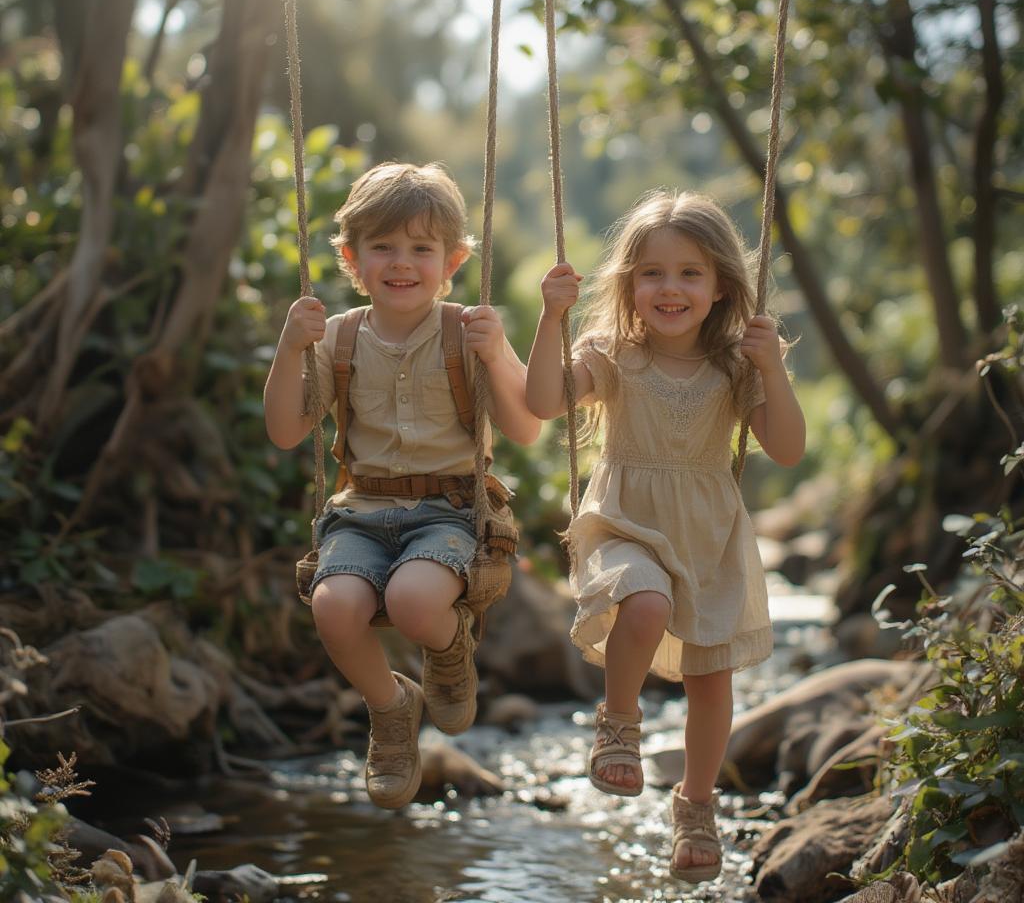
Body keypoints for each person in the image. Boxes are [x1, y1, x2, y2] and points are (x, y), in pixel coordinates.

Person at [525, 190, 805, 884]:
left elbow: (789, 449)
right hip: (624, 523)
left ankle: (696, 808)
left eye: (690, 273)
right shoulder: (613, 355)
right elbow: (540, 402)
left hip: (708, 535)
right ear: (628, 284)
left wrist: (772, 368)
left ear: (718, 288)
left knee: (712, 682)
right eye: (652, 272)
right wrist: (550, 317)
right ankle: (619, 723)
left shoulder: (738, 366)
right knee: (643, 603)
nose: (670, 287)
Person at [265, 162, 540, 810]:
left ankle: (448, 656)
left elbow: (526, 428)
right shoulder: (337, 339)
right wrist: (288, 347)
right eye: (383, 247)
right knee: (333, 607)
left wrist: (499, 353)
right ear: (352, 259)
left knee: (417, 604)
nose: (402, 262)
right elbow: (285, 430)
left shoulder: (465, 333)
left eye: (422, 248)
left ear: (453, 260)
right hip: (361, 512)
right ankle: (391, 709)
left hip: (447, 511)